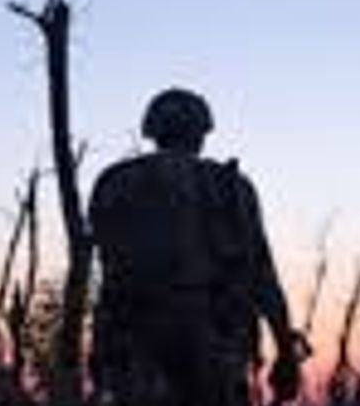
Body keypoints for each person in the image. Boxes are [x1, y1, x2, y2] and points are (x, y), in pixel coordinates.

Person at [89, 87, 306, 406]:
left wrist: (98, 350)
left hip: (135, 348)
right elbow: (262, 276)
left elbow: (104, 266)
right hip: (213, 348)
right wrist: (285, 350)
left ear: (152, 130)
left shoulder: (113, 182)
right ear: (201, 132)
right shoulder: (230, 186)